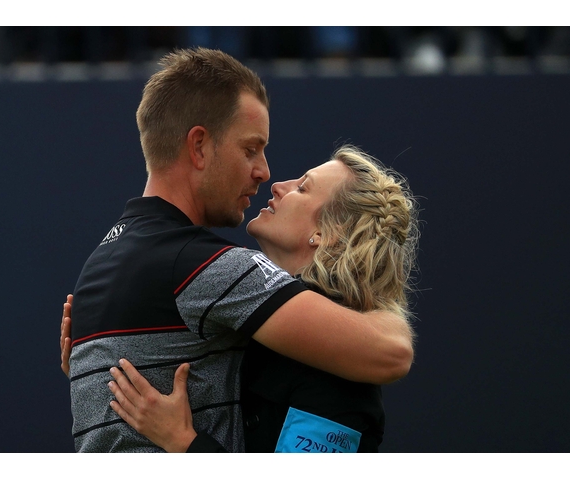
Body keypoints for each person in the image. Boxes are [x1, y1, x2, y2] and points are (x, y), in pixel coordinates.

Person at [62, 47, 414, 453]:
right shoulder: (212, 269)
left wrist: (93, 378)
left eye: (302, 188)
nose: (268, 175)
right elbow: (392, 352)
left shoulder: (99, 265)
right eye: (250, 149)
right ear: (198, 147)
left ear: (328, 234)